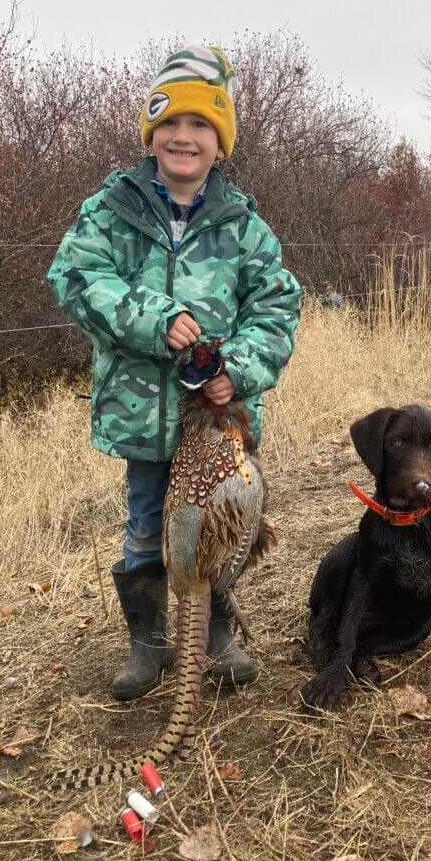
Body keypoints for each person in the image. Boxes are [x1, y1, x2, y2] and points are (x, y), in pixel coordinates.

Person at [48, 44, 301, 699]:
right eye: (170, 124)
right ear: (151, 134)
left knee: (220, 526)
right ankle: (150, 642)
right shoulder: (113, 207)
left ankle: (214, 633)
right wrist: (150, 317)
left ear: (221, 143)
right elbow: (75, 276)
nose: (183, 137)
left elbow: (276, 304)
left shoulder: (244, 225)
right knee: (144, 523)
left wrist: (237, 370)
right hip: (142, 413)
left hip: (221, 423)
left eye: (200, 126)